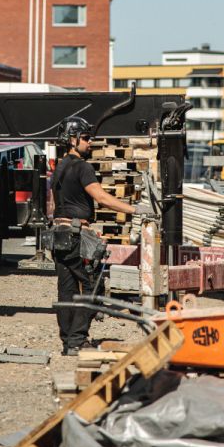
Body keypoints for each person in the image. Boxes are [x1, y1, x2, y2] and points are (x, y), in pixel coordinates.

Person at [47, 116, 137, 356]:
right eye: (86, 138)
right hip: (76, 235)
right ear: (72, 140)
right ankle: (77, 340)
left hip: (58, 235)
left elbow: (51, 204)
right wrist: (134, 209)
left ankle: (68, 342)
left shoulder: (59, 168)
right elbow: (101, 197)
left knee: (66, 290)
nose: (90, 143)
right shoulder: (82, 167)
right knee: (93, 289)